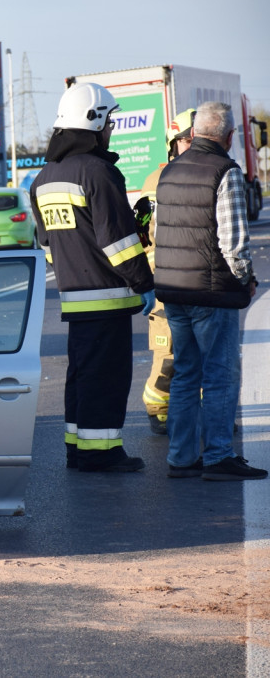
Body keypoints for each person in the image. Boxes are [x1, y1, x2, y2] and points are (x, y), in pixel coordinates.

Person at [29, 82, 155, 472]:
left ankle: (77, 449)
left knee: (81, 377)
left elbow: (48, 244)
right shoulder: (99, 172)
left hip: (74, 299)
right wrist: (145, 283)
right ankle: (102, 454)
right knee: (107, 379)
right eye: (110, 121)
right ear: (95, 121)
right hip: (108, 297)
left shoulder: (42, 180)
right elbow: (118, 243)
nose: (112, 128)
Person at [153, 101, 265, 480]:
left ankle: (181, 458)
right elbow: (233, 242)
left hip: (174, 290)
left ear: (195, 132)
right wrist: (245, 280)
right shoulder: (226, 172)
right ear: (230, 136)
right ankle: (218, 455)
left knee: (186, 373)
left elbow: (159, 234)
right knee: (220, 373)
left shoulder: (168, 172)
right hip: (212, 291)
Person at [136, 108, 196, 435]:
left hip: (199, 282)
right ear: (173, 144)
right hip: (165, 281)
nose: (194, 145)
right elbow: (142, 231)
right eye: (188, 140)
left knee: (204, 352)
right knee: (168, 354)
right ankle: (158, 409)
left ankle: (202, 412)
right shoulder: (155, 182)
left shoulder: (211, 173)